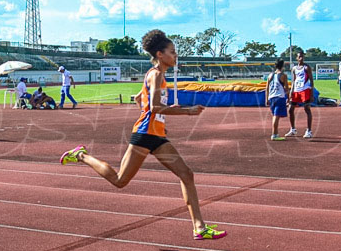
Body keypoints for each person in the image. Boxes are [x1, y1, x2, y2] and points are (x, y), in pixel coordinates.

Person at [59, 29, 225, 240]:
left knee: (186, 174)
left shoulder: (156, 75)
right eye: (172, 52)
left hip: (156, 135)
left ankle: (199, 227)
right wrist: (186, 111)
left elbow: (139, 98)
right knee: (120, 180)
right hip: (145, 134)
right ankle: (81, 155)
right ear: (159, 54)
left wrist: (157, 119)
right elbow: (154, 106)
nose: (175, 56)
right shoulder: (155, 75)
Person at [286, 51, 314, 138]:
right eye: (299, 57)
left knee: (307, 109)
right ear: (297, 58)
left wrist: (312, 93)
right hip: (296, 90)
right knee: (290, 109)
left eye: (302, 57)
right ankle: (293, 129)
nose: (301, 58)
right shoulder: (294, 68)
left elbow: (311, 80)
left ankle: (309, 130)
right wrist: (291, 91)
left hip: (305, 90)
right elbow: (294, 80)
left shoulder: (306, 67)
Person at [265, 59, 289, 141]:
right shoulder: (283, 76)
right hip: (279, 97)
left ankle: (275, 133)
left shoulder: (270, 75)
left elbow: (267, 88)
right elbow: (286, 88)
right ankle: (274, 134)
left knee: (275, 115)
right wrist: (288, 98)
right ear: (282, 66)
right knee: (276, 116)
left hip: (271, 97)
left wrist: (266, 99)